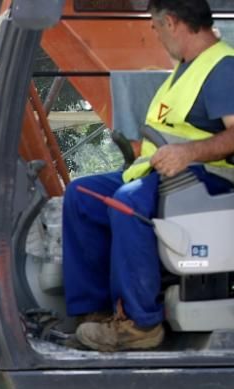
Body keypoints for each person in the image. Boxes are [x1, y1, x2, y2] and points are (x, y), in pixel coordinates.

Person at [64, 0, 234, 352]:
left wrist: (188, 152)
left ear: (171, 22)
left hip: (208, 177)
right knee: (82, 194)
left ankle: (140, 324)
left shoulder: (222, 68)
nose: (155, 36)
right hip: (164, 171)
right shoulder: (186, 69)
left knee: (127, 204)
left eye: (155, 28)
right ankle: (94, 314)